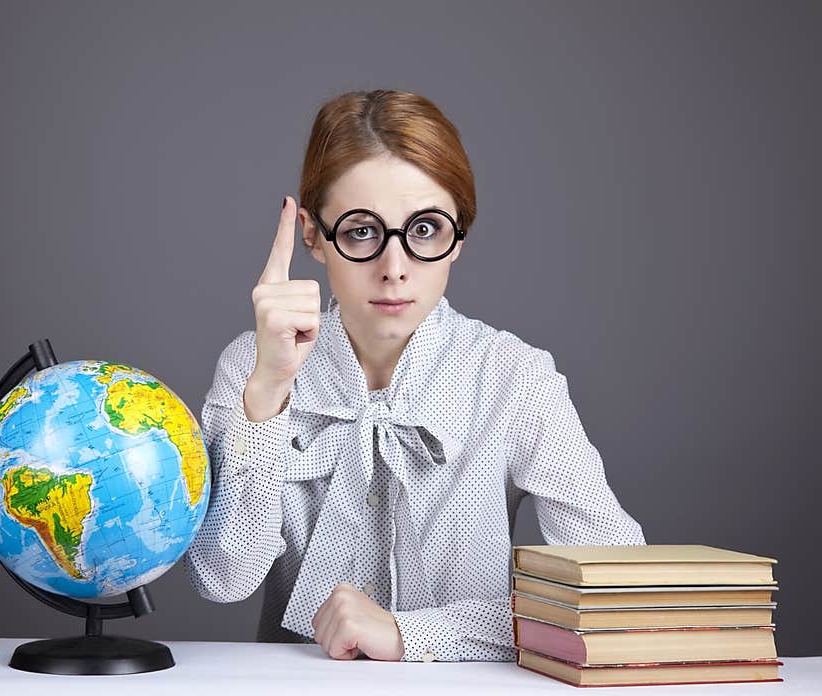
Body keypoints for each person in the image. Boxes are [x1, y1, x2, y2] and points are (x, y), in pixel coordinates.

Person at [183, 88, 646, 663]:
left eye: (425, 230)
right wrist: (268, 395)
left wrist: (415, 634)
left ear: (460, 237)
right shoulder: (253, 365)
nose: (395, 270)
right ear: (312, 236)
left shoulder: (513, 377)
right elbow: (223, 578)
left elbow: (616, 593)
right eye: (360, 231)